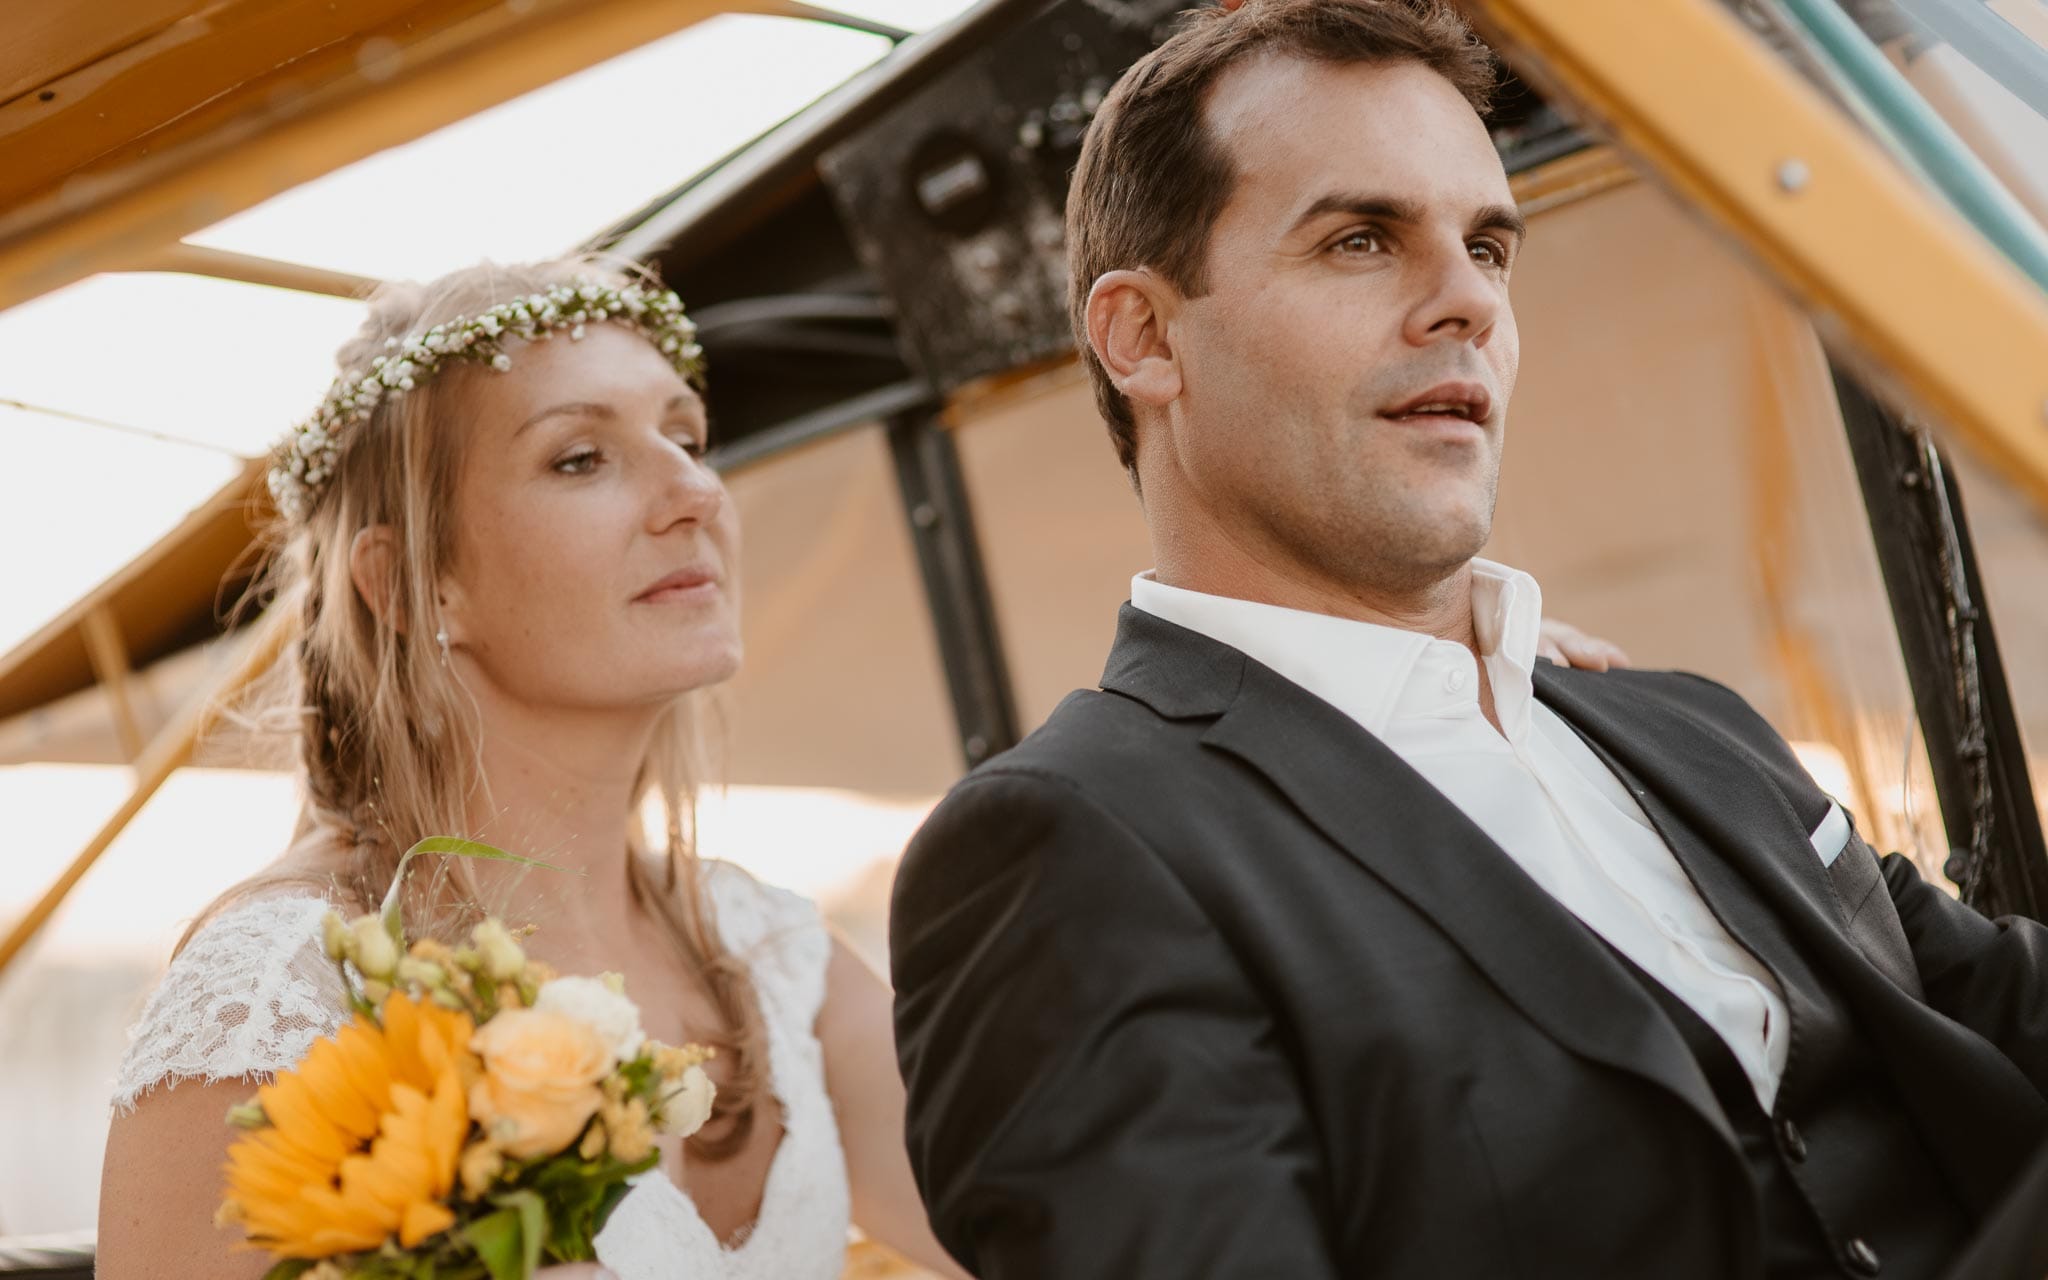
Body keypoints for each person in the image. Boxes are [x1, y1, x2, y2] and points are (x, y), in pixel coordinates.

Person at [887, 2, 2048, 1278]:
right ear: (1143, 337)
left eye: (1489, 247)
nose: (1463, 304)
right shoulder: (1066, 843)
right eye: (1360, 239)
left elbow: (1992, 999)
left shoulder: (1686, 725)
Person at [96, 256, 968, 1280]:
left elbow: (1077, 1229)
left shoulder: (769, 957)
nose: (692, 490)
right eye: (580, 458)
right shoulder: (280, 993)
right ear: (414, 582)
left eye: (686, 438)